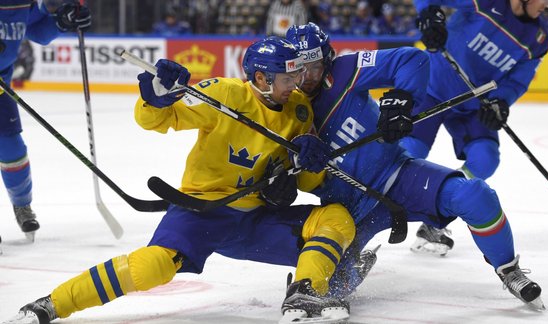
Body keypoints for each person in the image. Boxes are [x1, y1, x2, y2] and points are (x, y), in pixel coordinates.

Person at [4, 36, 355, 324]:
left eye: (297, 76)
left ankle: (306, 290)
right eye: (288, 78)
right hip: (204, 212)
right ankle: (51, 304)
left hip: (256, 219)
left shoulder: (299, 109)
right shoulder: (226, 94)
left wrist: (307, 162)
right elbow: (157, 120)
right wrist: (156, 99)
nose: (297, 84)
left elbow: (309, 183)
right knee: (152, 266)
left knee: (336, 216)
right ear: (261, 79)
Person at [284, 22, 545, 310]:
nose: (305, 77)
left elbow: (412, 58)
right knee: (330, 286)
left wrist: (401, 101)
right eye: (298, 68)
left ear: (328, 58)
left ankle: (509, 270)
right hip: (346, 210)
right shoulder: (283, 109)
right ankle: (340, 271)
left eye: (314, 66)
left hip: (398, 174)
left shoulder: (346, 69)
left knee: (475, 195)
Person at [399, 0, 548, 255]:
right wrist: (429, 14)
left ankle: (437, 210)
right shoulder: (487, 2)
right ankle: (369, 217)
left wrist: (500, 102)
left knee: (486, 159)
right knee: (407, 153)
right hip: (433, 87)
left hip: (474, 103)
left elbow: (518, 80)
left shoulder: (537, 40)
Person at [0, 0, 91, 244]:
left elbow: (36, 30)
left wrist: (62, 22)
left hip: (1, 87)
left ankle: (22, 206)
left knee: (13, 151)